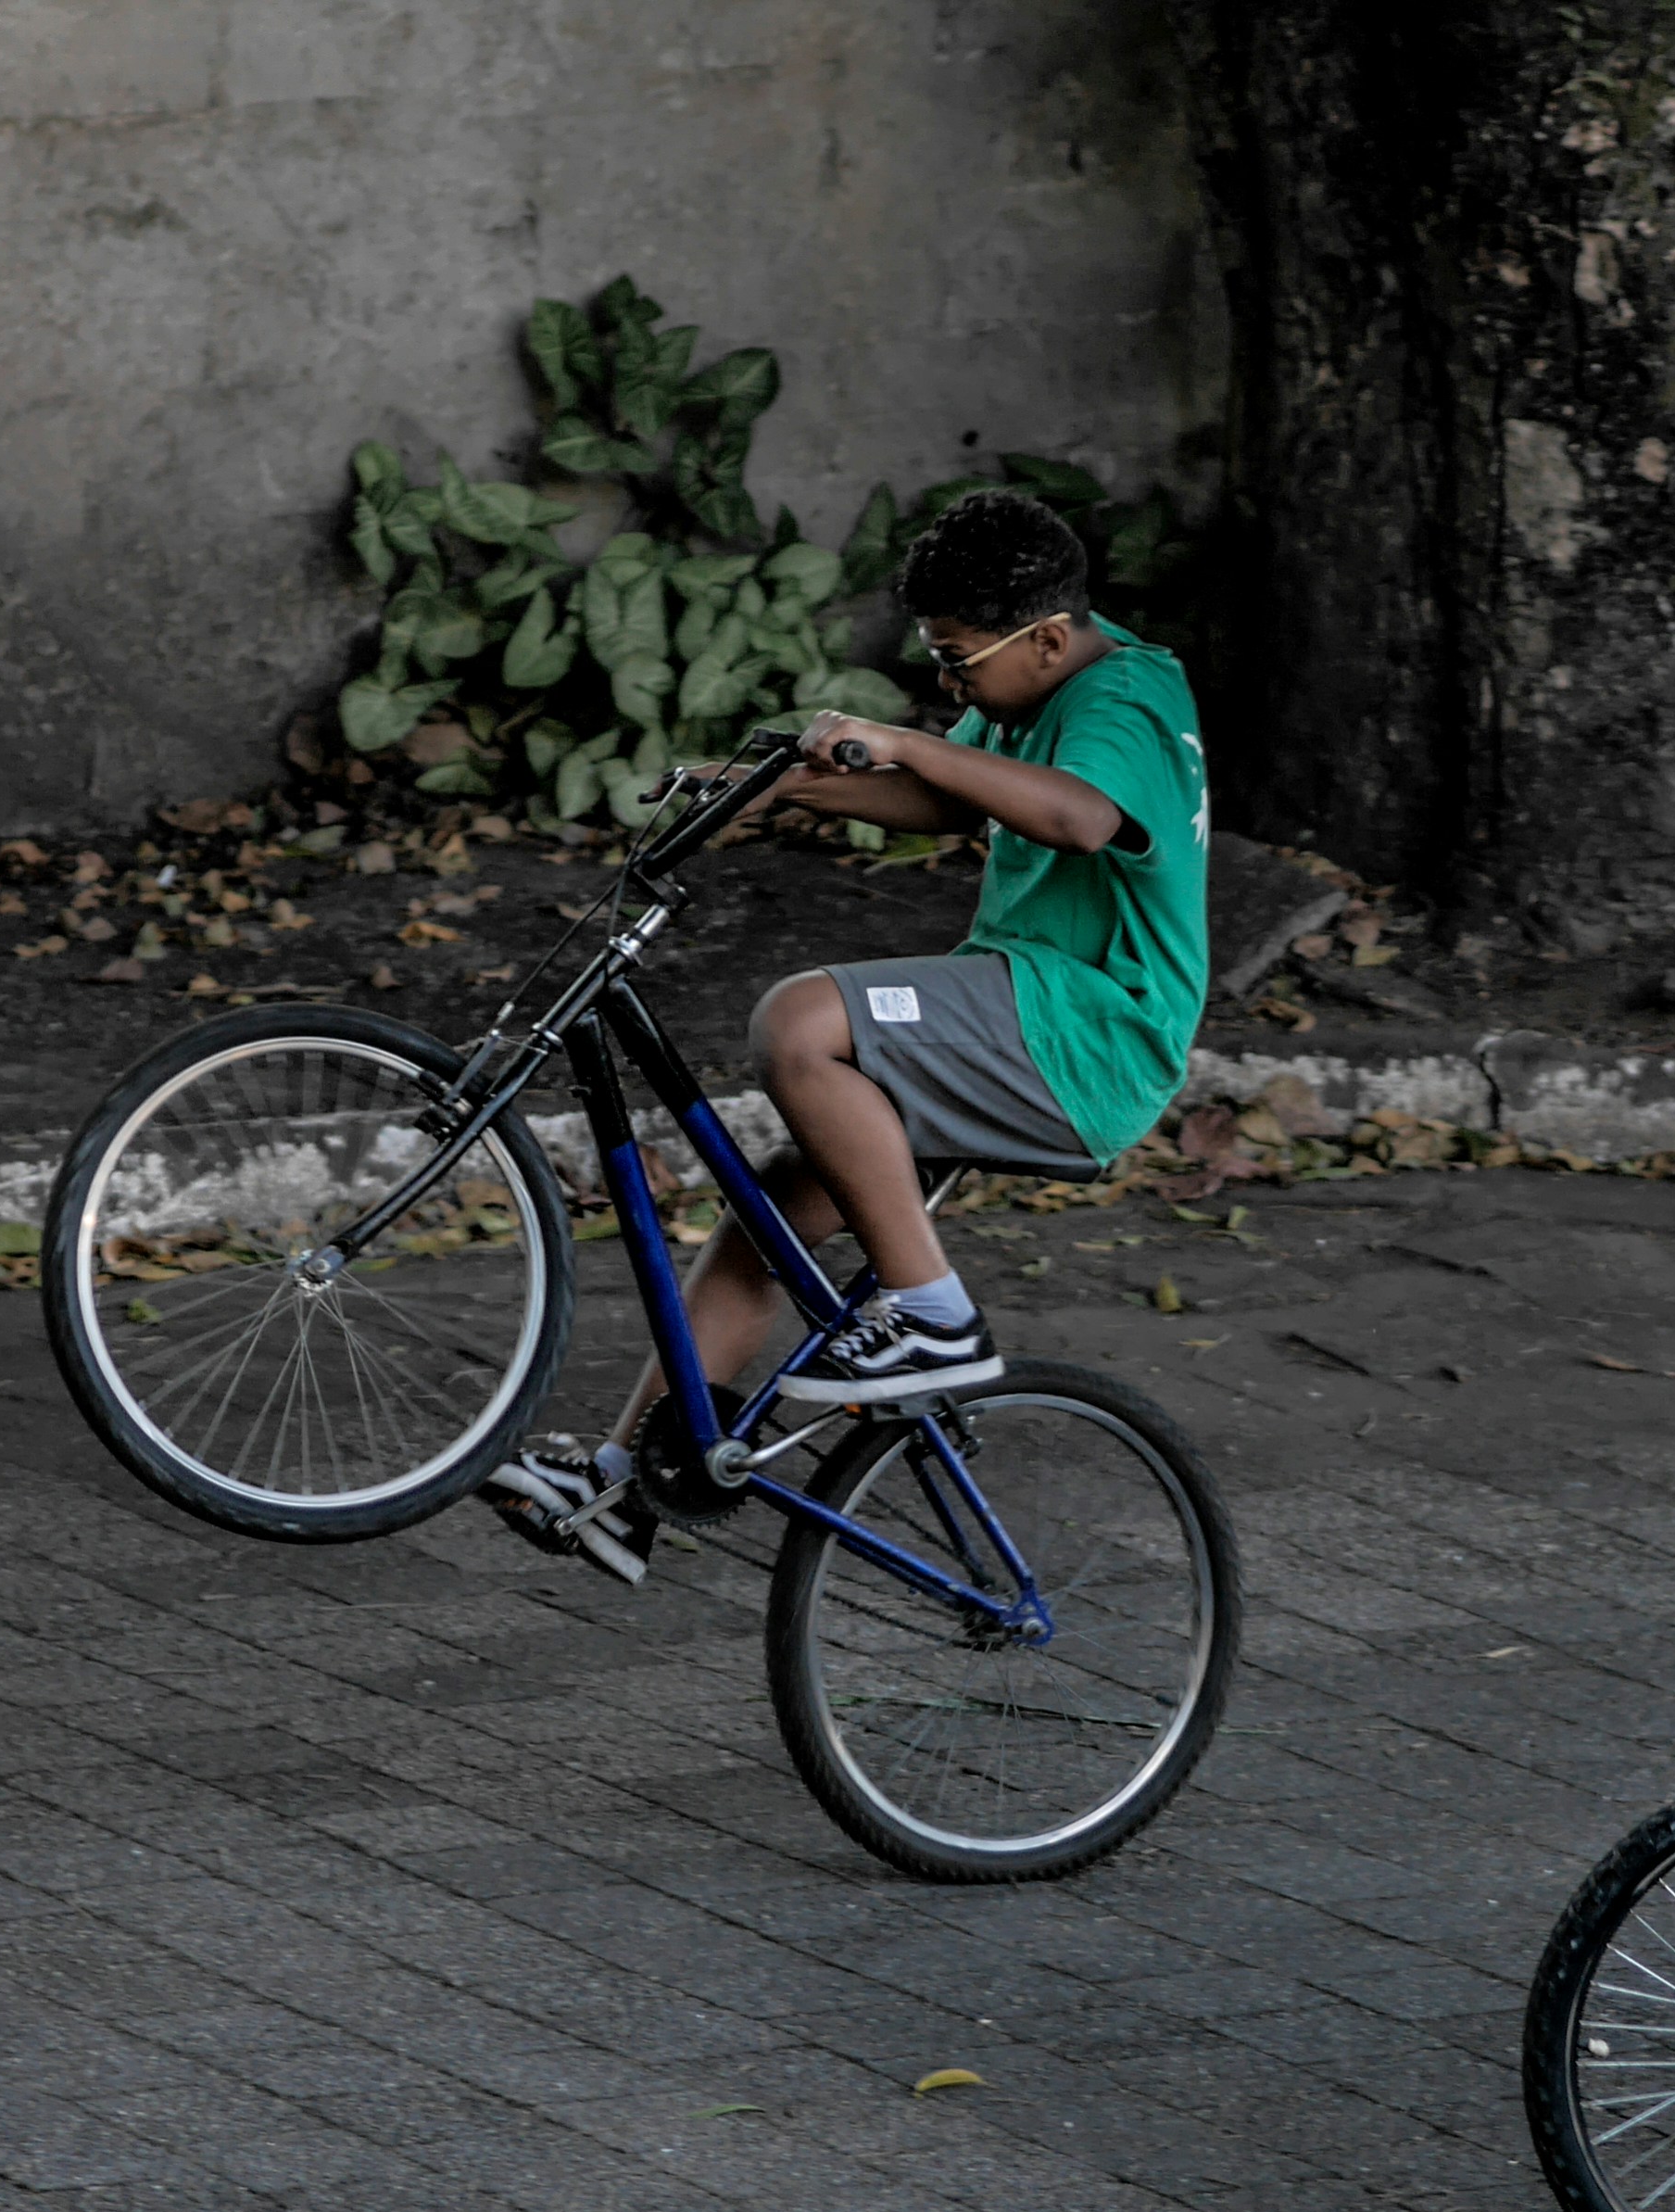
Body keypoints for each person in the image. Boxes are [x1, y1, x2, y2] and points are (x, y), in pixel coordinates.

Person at [489, 487, 1211, 1580]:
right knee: (768, 1225)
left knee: (800, 1020)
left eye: (957, 661)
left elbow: (1074, 816)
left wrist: (901, 740)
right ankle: (624, 1488)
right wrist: (780, 789)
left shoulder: (1121, 699)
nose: (947, 685)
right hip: (1021, 1019)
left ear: (1046, 637)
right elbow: (956, 799)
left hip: (1085, 1033)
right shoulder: (1047, 681)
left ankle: (932, 1314)